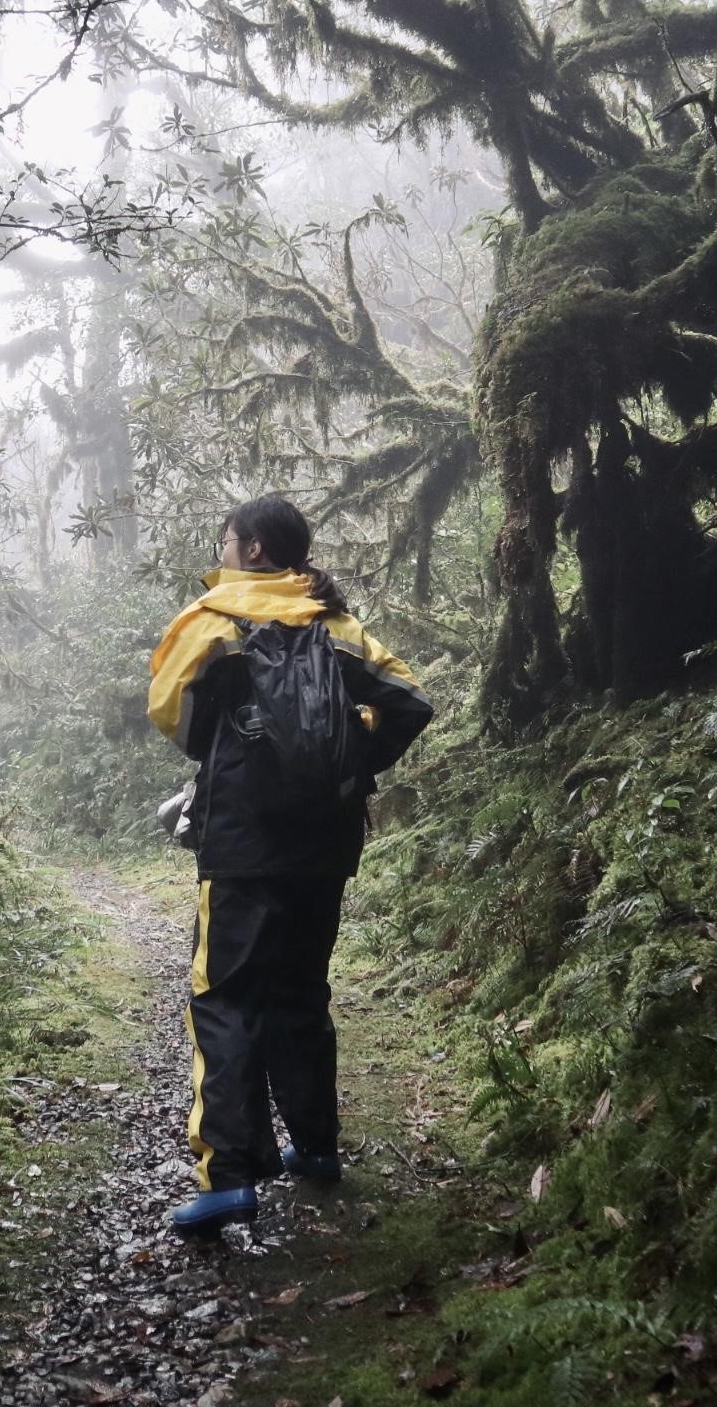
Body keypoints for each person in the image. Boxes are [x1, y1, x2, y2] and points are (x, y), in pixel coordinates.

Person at [145, 496, 434, 1236]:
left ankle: (229, 1176)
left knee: (227, 995)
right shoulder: (338, 627)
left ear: (253, 549)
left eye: (226, 540)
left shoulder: (213, 622)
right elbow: (409, 702)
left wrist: (228, 740)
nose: (223, 550)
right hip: (326, 842)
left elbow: (171, 716)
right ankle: (315, 1147)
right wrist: (352, 763)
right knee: (302, 989)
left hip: (242, 843)